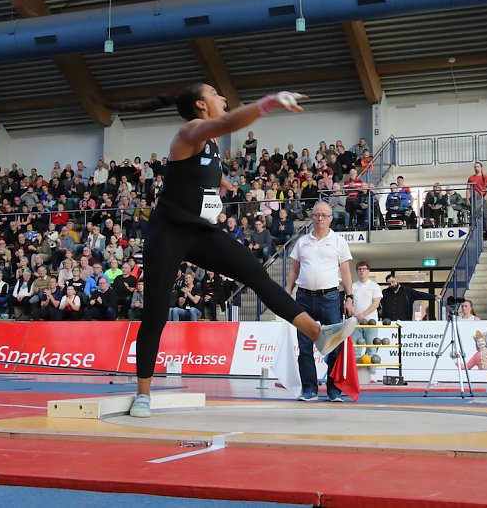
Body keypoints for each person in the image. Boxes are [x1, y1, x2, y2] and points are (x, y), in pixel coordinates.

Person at [117, 86, 356, 418]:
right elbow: (227, 123)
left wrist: (222, 186)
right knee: (156, 313)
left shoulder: (211, 146)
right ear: (201, 105)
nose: (224, 99)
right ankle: (143, 394)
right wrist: (267, 102)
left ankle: (318, 334)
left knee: (256, 274)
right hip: (168, 232)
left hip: (200, 231)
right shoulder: (191, 131)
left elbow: (201, 179)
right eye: (216, 94)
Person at [285, 200, 355, 402]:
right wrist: (286, 294)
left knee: (334, 345)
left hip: (330, 297)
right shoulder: (302, 242)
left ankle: (334, 391)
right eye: (316, 214)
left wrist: (349, 297)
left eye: (324, 215)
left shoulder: (338, 241)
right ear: (311, 217)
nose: (320, 218)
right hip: (303, 298)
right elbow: (294, 270)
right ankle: (309, 390)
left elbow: (345, 272)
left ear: (331, 218)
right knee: (304, 346)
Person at [350, 260, 383, 379]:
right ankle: (355, 376)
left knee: (371, 348)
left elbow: (376, 303)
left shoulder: (374, 286)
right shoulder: (353, 286)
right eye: (359, 269)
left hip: (371, 322)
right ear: (357, 271)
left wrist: (363, 314)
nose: (361, 271)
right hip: (356, 322)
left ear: (368, 271)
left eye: (364, 269)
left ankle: (372, 374)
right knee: (355, 350)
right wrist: (357, 315)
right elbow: (349, 303)